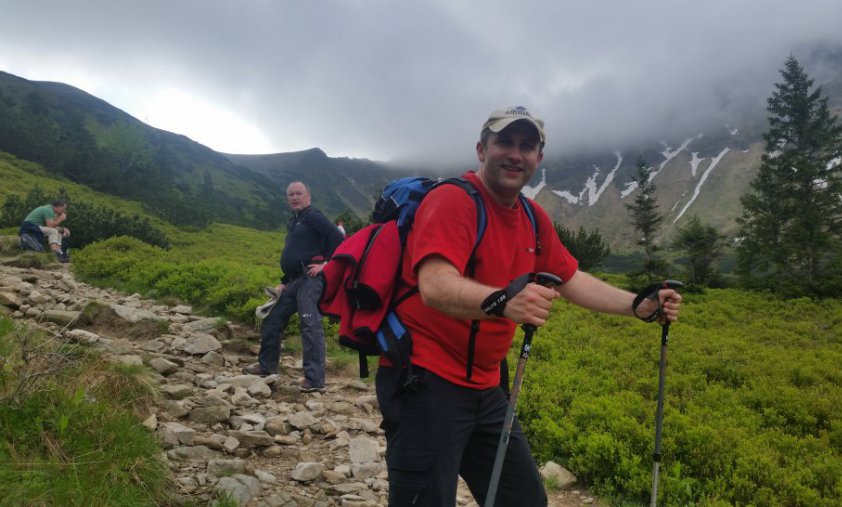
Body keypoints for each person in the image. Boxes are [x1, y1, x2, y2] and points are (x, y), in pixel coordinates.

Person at [375, 106, 682, 506]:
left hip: (486, 387)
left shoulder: (531, 217)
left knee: (524, 500)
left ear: (539, 158)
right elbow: (435, 286)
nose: (515, 154)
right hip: (424, 381)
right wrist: (502, 301)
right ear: (481, 150)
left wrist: (638, 305)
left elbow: (570, 278)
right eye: (504, 142)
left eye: (527, 146)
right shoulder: (452, 200)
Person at [242, 181, 344, 392]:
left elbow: (337, 236)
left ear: (308, 196)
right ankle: (266, 367)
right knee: (272, 318)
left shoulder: (312, 216)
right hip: (294, 279)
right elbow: (296, 252)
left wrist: (326, 263)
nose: (295, 197)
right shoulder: (296, 220)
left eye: (299, 193)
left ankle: (314, 380)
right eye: (291, 194)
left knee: (309, 323)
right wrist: (284, 281)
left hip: (310, 279)